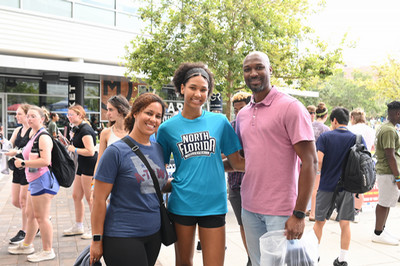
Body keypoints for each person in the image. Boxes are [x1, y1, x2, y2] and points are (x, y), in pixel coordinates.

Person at [157, 62, 244, 266]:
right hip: (182, 204)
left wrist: (274, 162)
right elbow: (158, 172)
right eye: (193, 88)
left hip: (214, 203)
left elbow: (238, 162)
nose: (198, 94)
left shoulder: (220, 121)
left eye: (203, 89)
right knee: (184, 263)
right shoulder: (167, 128)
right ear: (182, 88)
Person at [235, 51, 317, 266]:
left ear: (270, 70)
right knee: (258, 263)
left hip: (282, 212)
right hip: (249, 208)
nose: (253, 72)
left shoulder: (291, 107)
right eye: (247, 69)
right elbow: (244, 159)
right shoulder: (242, 114)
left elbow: (310, 162)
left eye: (259, 67)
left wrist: (299, 214)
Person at [90, 93, 168, 266]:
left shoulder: (158, 149)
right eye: (148, 113)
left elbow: (155, 184)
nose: (153, 119)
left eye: (158, 116)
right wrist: (96, 239)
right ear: (135, 113)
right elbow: (99, 199)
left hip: (154, 234)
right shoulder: (115, 152)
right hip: (123, 235)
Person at [8, 106, 60, 262]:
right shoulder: (33, 134)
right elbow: (28, 151)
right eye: (28, 116)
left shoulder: (43, 136)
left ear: (42, 119)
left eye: (33, 116)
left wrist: (23, 163)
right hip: (34, 181)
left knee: (42, 217)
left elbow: (45, 161)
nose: (29, 119)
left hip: (42, 181)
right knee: (31, 215)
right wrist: (18, 154)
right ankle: (26, 245)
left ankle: (47, 250)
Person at [313, 107, 362, 266]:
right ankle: (342, 259)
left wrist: (321, 171)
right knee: (345, 223)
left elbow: (319, 160)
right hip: (347, 188)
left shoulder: (325, 137)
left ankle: (314, 256)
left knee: (319, 222)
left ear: (334, 121)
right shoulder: (356, 138)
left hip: (327, 185)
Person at [63, 105, 98, 239]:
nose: (69, 117)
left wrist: (74, 149)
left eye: (72, 114)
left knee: (90, 199)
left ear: (80, 116)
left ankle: (95, 229)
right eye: (68, 114)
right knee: (76, 195)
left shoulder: (85, 130)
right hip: (81, 165)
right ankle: (79, 226)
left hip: (89, 165)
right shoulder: (77, 128)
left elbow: (90, 151)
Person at [227, 91, 252, 266]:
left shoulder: (256, 125)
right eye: (235, 110)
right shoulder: (231, 126)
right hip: (235, 185)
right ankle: (251, 258)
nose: (238, 113)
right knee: (243, 225)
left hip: (255, 185)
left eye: (241, 109)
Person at [372, 101, 400, 245]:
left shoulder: (387, 127)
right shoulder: (389, 130)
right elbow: (390, 155)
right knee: (384, 203)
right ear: (397, 113)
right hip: (388, 172)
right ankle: (377, 233)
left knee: (387, 202)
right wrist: (398, 177)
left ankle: (382, 230)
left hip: (387, 172)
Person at [6, 103, 32, 245]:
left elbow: (32, 150)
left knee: (24, 202)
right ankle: (37, 216)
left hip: (28, 169)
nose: (16, 116)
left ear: (27, 115)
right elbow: (9, 145)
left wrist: (17, 152)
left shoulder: (33, 132)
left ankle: (24, 231)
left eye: (19, 114)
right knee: (16, 201)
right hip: (17, 169)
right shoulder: (17, 130)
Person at [349, 108, 376, 223]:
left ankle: (349, 210)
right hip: (367, 160)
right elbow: (373, 147)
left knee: (350, 185)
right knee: (362, 186)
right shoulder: (371, 130)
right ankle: (357, 211)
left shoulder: (351, 128)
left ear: (352, 118)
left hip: (353, 160)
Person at [309, 102, 330, 221]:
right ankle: (313, 213)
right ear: (326, 115)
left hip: (303, 160)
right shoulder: (326, 129)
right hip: (317, 161)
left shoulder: (309, 125)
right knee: (315, 188)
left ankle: (305, 210)